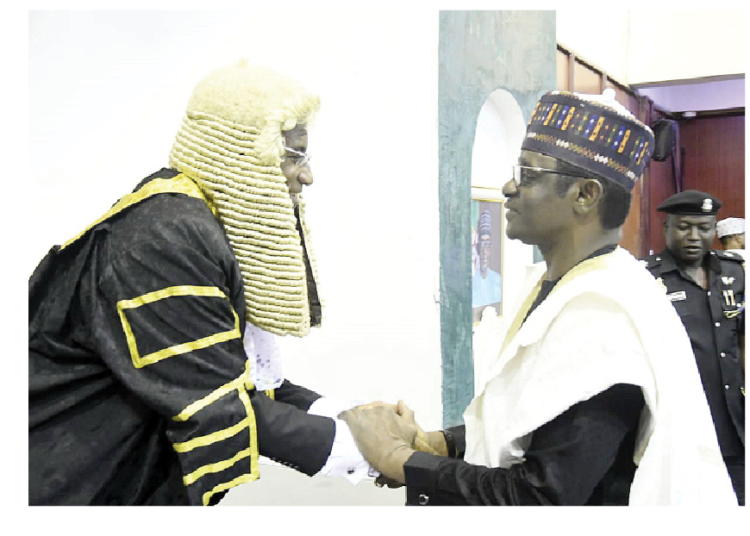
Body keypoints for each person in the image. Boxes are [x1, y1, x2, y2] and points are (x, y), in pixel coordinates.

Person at [340, 89, 738, 505]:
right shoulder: (555, 284)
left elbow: (541, 496)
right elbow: (531, 424)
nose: (509, 186)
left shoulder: (605, 311)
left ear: (585, 195)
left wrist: (396, 458)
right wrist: (439, 444)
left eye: (528, 173)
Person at [29, 62, 371, 505]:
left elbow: (237, 375)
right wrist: (373, 449)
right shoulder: (165, 238)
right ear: (240, 153)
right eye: (294, 155)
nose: (306, 176)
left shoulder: (196, 224)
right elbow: (215, 402)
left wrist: (349, 419)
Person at [643, 191, 745, 504]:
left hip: (735, 422)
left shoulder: (733, 272)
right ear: (667, 228)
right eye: (684, 227)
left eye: (704, 228)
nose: (694, 236)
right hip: (680, 427)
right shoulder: (647, 278)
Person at [472, 210, 502, 309]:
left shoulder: (497, 280)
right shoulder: (471, 281)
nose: (484, 251)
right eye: (482, 244)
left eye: (487, 245)